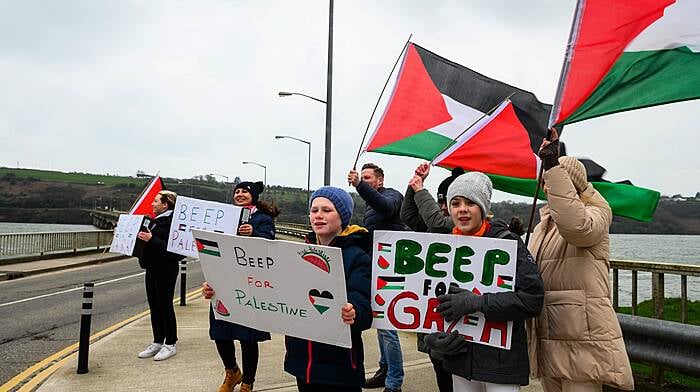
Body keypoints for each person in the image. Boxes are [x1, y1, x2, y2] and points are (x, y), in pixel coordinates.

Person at [527, 132, 634, 392]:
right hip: (551, 334)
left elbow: (576, 226)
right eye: (544, 181)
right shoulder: (544, 225)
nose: (546, 186)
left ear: (570, 182)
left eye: (551, 180)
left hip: (582, 337)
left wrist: (552, 166)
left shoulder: (596, 213)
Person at [424, 172, 544, 391]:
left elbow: (532, 300)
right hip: (458, 361)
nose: (462, 209)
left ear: (483, 208)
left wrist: (477, 303)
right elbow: (428, 301)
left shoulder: (508, 242)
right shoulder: (441, 248)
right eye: (455, 203)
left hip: (500, 365)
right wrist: (432, 341)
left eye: (470, 203)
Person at [284, 186, 372, 392]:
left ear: (342, 216)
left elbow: (364, 306)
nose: (319, 216)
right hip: (301, 362)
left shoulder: (357, 257)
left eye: (327, 210)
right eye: (314, 211)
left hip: (339, 367)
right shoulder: (296, 253)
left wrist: (354, 312)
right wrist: (222, 288)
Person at [202, 181, 279, 392]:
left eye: (244, 191)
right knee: (220, 331)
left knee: (247, 336)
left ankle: (248, 382)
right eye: (236, 191)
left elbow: (270, 246)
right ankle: (232, 371)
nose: (240, 194)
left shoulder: (263, 219)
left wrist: (253, 233)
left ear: (253, 195)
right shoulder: (225, 217)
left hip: (250, 283)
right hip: (224, 279)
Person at [400, 163, 464, 392]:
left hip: (458, 317)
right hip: (434, 318)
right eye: (443, 203)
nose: (445, 208)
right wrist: (414, 184)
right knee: (441, 371)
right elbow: (407, 215)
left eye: (452, 203)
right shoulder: (431, 224)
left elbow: (439, 225)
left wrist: (420, 191)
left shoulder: (459, 226)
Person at [348, 163, 405, 392]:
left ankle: (394, 382)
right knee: (380, 322)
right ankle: (385, 370)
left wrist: (359, 185)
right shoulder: (370, 207)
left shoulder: (392, 195)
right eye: (362, 177)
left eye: (368, 177)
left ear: (380, 181)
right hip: (377, 268)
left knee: (388, 327)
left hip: (392, 269)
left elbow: (387, 207)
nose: (364, 180)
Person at [136, 190, 186, 361]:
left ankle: (170, 343)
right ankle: (158, 341)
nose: (152, 204)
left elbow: (176, 251)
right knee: (154, 306)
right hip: (152, 268)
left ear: (165, 205)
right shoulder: (153, 222)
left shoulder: (174, 223)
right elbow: (146, 245)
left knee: (165, 306)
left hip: (166, 269)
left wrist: (152, 240)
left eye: (156, 201)